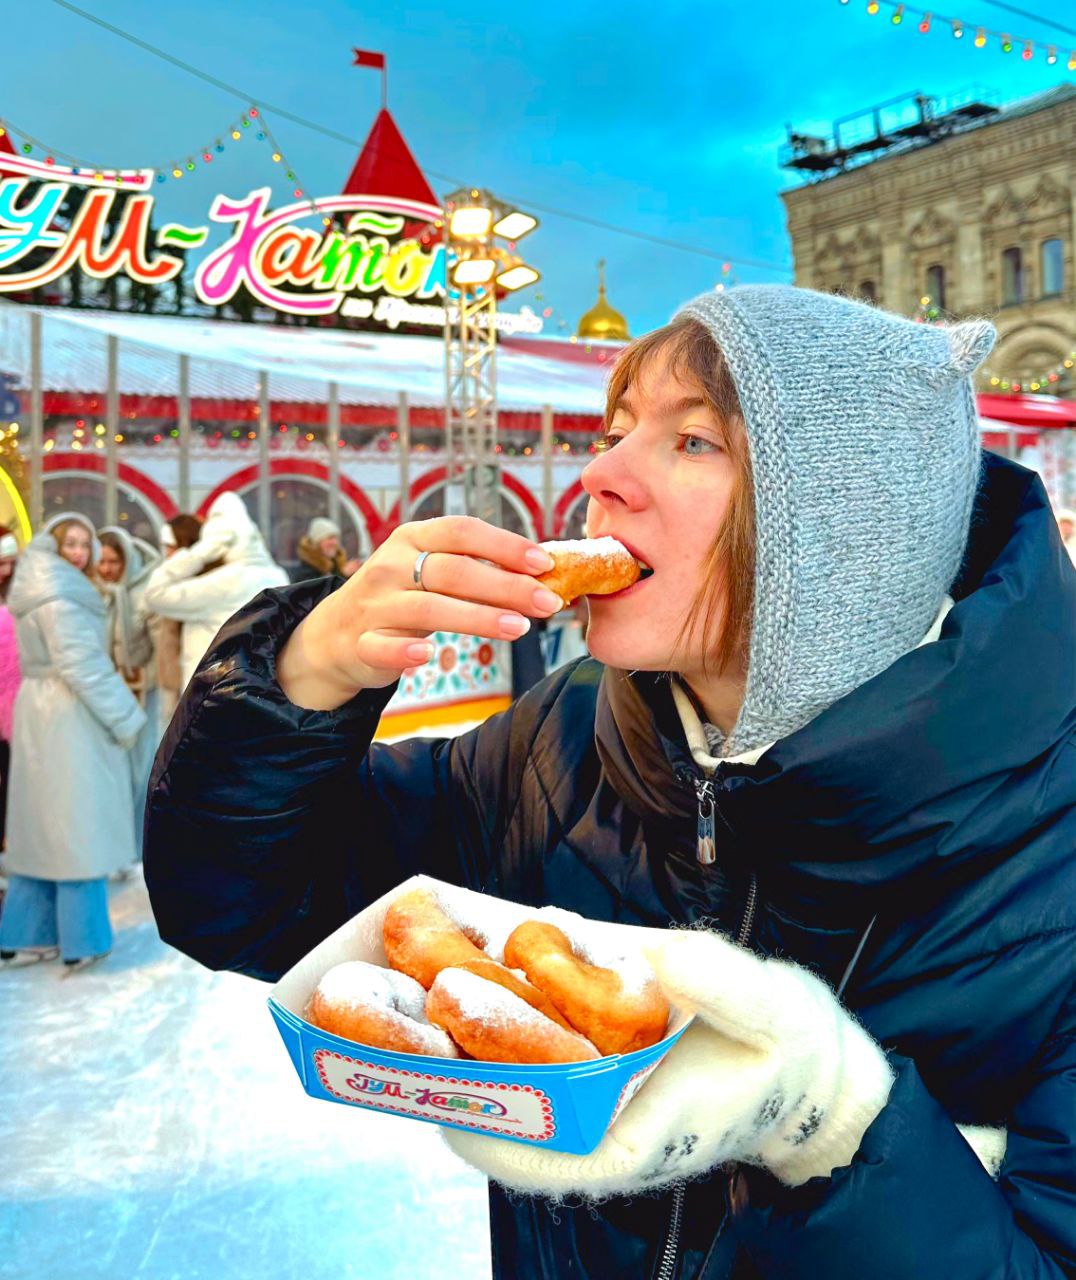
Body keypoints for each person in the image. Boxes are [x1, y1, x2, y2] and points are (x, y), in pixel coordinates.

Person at [144, 287, 1076, 1278]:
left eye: (692, 441)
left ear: (846, 530)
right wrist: (295, 681)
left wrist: (831, 1125)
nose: (599, 473)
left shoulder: (1047, 850)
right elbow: (242, 907)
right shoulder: (563, 737)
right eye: (615, 429)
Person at [2, 513, 145, 971]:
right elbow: (83, 665)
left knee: (41, 829)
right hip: (68, 712)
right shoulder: (61, 594)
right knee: (77, 826)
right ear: (54, 547)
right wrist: (126, 717)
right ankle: (84, 939)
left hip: (38, 708)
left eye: (86, 543)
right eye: (72, 543)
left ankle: (27, 934)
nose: (81, 552)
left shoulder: (36, 586)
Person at [143, 493, 288, 690]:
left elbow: (155, 594)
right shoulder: (278, 576)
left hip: (214, 693)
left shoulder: (225, 582)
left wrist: (199, 553)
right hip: (263, 690)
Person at [98, 526, 162, 854]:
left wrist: (145, 679)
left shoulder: (144, 592)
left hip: (140, 695)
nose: (106, 569)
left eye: (114, 562)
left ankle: (135, 848)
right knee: (107, 776)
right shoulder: (92, 592)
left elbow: (159, 649)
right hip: (102, 698)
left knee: (138, 773)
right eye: (101, 561)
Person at [155, 514, 202, 727]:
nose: (168, 554)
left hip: (190, 684)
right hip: (171, 683)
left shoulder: (198, 586)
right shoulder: (171, 581)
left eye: (172, 547)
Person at [0, 529, 20, 851]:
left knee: (11, 779)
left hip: (14, 702)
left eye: (10, 563)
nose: (5, 570)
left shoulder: (21, 594)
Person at [290, 516, 352, 586]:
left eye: (336, 538)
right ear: (317, 542)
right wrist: (343, 575)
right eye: (330, 538)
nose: (335, 542)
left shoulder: (336, 564)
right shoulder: (305, 573)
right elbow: (321, 590)